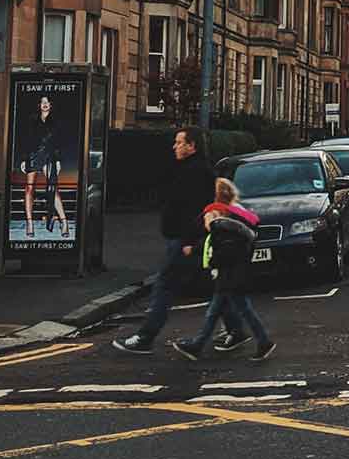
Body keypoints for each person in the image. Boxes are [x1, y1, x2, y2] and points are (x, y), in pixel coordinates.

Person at [113, 129, 247, 354]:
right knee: (213, 285)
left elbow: (194, 211)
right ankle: (237, 330)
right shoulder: (191, 169)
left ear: (192, 146)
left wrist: (188, 241)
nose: (175, 146)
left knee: (165, 286)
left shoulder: (196, 173)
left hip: (185, 241)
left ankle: (146, 337)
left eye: (179, 142)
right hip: (189, 239)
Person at [172, 178, 275, 363]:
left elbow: (226, 252)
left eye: (206, 216)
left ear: (216, 212)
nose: (204, 218)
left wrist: (213, 260)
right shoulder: (231, 224)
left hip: (230, 276)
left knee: (225, 312)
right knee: (232, 311)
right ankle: (260, 340)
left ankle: (198, 345)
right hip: (231, 276)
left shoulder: (223, 228)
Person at [18, 96, 70, 240]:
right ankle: (30, 224)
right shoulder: (32, 120)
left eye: (47, 102)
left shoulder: (56, 121)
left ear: (51, 105)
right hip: (33, 155)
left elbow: (59, 141)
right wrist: (23, 159)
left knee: (54, 189)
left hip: (49, 156)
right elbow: (26, 140)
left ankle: (63, 222)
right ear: (39, 105)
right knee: (29, 188)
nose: (45, 104)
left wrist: (58, 160)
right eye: (42, 102)